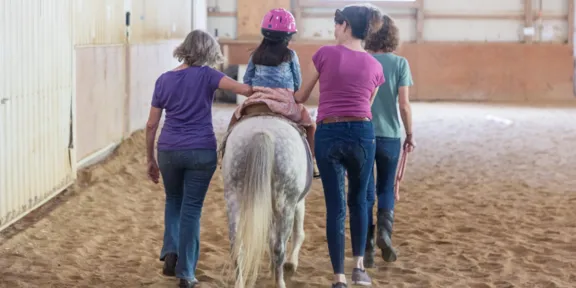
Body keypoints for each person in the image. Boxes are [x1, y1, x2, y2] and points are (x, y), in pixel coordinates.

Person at [145, 30, 252, 288]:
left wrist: (150, 158)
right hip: (200, 150)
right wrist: (270, 90)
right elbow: (244, 89)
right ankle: (187, 273)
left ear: (185, 48)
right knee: (192, 209)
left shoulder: (163, 80)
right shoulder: (209, 75)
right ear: (209, 52)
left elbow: (151, 125)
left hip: (168, 150)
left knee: (173, 200)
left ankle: (171, 252)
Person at [290, 4, 385, 287]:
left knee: (335, 207)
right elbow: (367, 105)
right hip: (362, 133)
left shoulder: (324, 54)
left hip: (329, 131)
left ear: (344, 25)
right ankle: (359, 267)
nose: (334, 30)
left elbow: (302, 95)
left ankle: (338, 277)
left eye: (336, 24)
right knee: (359, 201)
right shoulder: (376, 65)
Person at [226, 8, 319, 176]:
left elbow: (247, 80)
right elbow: (297, 82)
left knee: (234, 120)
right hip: (284, 100)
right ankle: (313, 162)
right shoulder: (290, 55)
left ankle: (224, 154)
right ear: (288, 36)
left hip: (258, 98)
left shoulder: (256, 55)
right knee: (310, 125)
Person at [362, 14, 415, 268]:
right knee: (385, 188)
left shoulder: (362, 60)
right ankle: (385, 233)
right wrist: (410, 133)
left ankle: (367, 247)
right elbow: (404, 105)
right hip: (391, 135)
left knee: (365, 190)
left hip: (363, 132)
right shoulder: (400, 63)